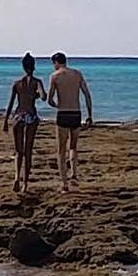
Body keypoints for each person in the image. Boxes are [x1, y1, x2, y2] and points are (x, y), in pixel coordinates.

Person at [45, 52, 92, 190]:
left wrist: (57, 106)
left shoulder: (55, 76)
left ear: (56, 62)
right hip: (76, 113)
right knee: (73, 146)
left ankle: (65, 184)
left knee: (61, 150)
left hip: (63, 113)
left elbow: (50, 99)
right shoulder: (77, 74)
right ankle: (74, 173)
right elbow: (87, 95)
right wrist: (89, 115)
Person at [2, 54, 46, 195]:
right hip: (31, 116)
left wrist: (5, 121)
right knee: (28, 151)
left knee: (18, 151)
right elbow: (44, 96)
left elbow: (10, 104)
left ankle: (16, 178)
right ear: (33, 67)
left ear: (23, 67)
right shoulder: (36, 82)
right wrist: (36, 96)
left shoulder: (17, 83)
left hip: (18, 116)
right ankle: (25, 183)